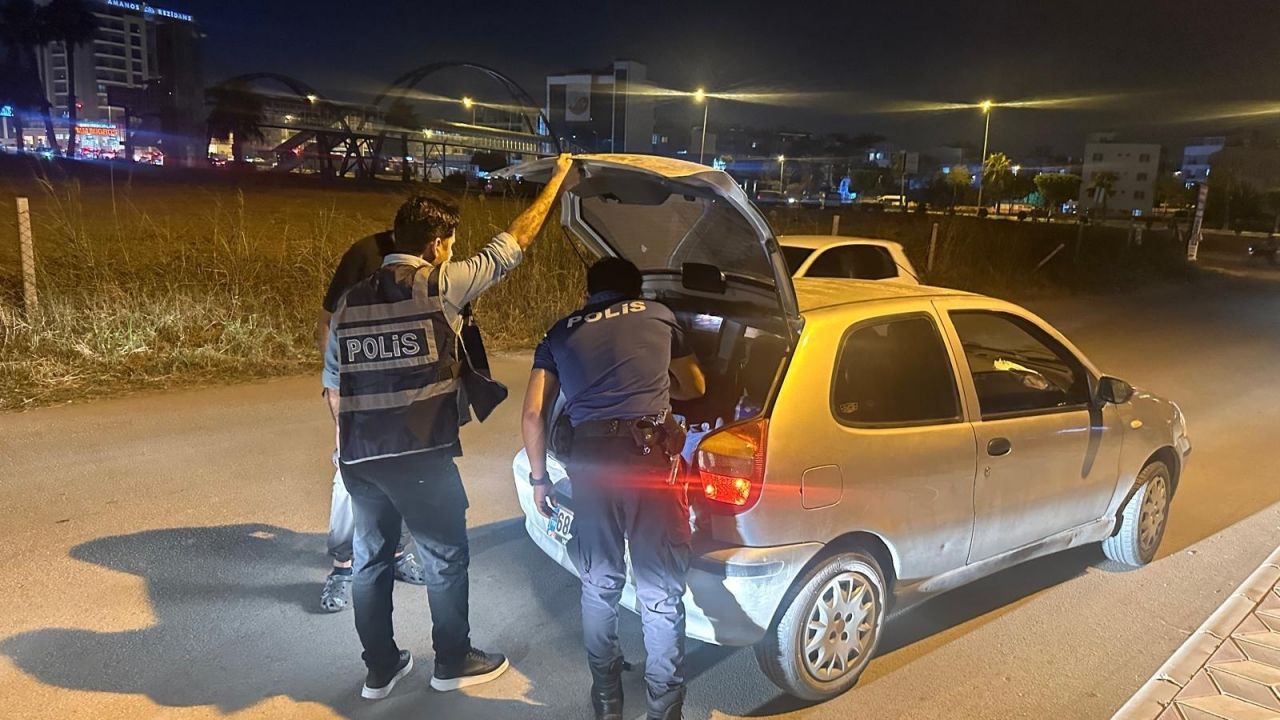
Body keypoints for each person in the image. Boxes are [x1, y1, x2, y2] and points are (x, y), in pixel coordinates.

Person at [323, 153, 574, 700]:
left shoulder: (347, 304)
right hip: (420, 454)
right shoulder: (440, 284)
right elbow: (514, 243)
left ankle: (380, 669)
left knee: (370, 563)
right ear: (436, 245)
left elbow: (334, 386)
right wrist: (558, 179)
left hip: (361, 456)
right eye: (451, 245)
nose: (453, 253)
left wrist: (350, 449)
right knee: (444, 558)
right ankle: (452, 660)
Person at [521, 258, 707, 720]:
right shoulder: (660, 316)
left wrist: (540, 480)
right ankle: (664, 707)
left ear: (589, 294)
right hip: (648, 463)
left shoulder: (558, 333)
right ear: (636, 290)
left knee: (599, 582)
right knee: (659, 591)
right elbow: (695, 385)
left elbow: (533, 414)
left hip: (590, 466)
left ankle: (607, 699)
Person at [317, 229, 427, 613]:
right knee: (349, 485)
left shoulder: (428, 274)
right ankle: (342, 568)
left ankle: (396, 554)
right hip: (359, 402)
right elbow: (327, 325)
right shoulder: (364, 257)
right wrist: (340, 416)